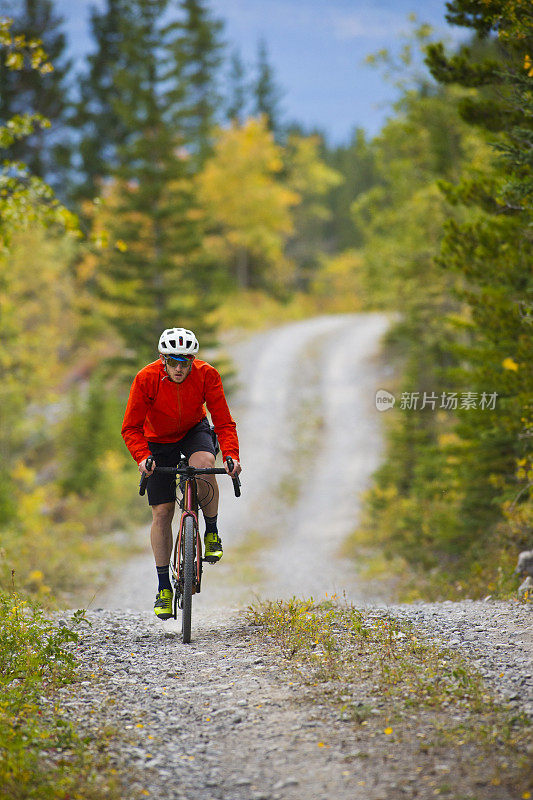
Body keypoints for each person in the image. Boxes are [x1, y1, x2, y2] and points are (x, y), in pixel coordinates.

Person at [121, 327, 241, 620]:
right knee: (162, 513)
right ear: (162, 359)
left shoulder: (207, 374)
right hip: (157, 440)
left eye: (184, 362)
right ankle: (164, 588)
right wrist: (143, 457)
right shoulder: (146, 378)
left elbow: (223, 422)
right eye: (173, 361)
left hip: (192, 430)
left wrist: (231, 456)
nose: (178, 368)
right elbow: (130, 428)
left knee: (202, 465)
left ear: (192, 360)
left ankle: (211, 532)